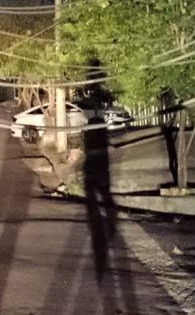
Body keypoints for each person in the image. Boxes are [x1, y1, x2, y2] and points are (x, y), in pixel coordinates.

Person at [83, 118, 116, 281]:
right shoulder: (100, 139)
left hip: (94, 163)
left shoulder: (90, 138)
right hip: (99, 163)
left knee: (94, 196)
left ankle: (103, 223)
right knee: (103, 194)